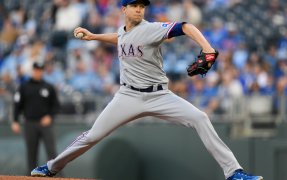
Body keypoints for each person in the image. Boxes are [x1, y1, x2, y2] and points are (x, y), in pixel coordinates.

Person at [31, 0, 263, 179]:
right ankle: (52, 167)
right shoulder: (124, 30)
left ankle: (233, 172)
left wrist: (208, 48)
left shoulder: (151, 28)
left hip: (159, 95)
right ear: (124, 9)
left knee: (200, 118)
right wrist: (94, 37)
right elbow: (121, 38)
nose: (140, 9)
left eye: (142, 6)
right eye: (134, 5)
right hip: (127, 96)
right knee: (92, 135)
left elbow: (185, 26)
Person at [11, 61, 60, 174]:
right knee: (31, 152)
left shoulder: (48, 87)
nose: (38, 72)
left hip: (45, 124)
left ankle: (57, 176)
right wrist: (15, 121)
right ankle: (31, 175)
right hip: (30, 123)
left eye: (40, 70)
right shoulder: (24, 87)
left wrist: (50, 116)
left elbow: (56, 106)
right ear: (33, 71)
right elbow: (17, 105)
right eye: (36, 70)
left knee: (51, 152)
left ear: (43, 71)